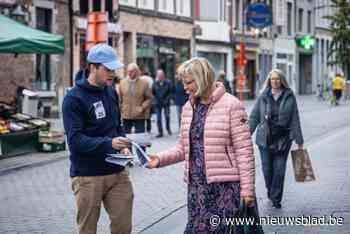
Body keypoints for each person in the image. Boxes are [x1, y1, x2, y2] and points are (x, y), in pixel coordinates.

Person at [147, 58, 256, 233]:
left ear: (202, 78)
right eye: (184, 82)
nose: (185, 87)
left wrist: (247, 191)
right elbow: (183, 148)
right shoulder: (188, 108)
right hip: (197, 189)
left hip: (224, 189)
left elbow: (244, 152)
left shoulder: (232, 105)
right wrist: (159, 159)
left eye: (189, 82)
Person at [62, 44, 133, 234]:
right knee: (88, 230)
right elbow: (75, 142)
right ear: (93, 67)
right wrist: (109, 143)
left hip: (117, 172)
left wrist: (124, 145)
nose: (112, 74)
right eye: (108, 69)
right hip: (88, 175)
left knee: (123, 227)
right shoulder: (73, 99)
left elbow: (116, 127)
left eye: (114, 69)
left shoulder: (111, 91)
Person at [249, 68, 304, 209]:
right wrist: (246, 133)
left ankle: (276, 198)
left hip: (283, 139)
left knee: (279, 170)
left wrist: (299, 141)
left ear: (282, 80)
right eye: (272, 79)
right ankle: (270, 191)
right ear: (269, 80)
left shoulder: (289, 96)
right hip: (264, 139)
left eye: (278, 79)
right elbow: (254, 116)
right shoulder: (263, 96)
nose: (275, 81)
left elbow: (295, 118)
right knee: (267, 169)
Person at [119, 63, 153, 134]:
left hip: (139, 115)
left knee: (140, 138)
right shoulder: (122, 82)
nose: (129, 73)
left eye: (131, 71)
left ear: (136, 71)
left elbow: (149, 98)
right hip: (126, 115)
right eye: (128, 71)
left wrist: (142, 107)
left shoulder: (144, 83)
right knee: (125, 137)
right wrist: (121, 109)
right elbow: (120, 98)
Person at [152, 69, 173, 138]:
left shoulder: (168, 82)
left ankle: (168, 128)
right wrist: (154, 100)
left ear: (163, 75)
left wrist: (167, 100)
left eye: (161, 75)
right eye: (158, 75)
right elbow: (153, 92)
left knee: (167, 116)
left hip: (166, 102)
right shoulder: (155, 83)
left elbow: (170, 92)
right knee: (158, 118)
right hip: (158, 103)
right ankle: (160, 132)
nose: (160, 76)